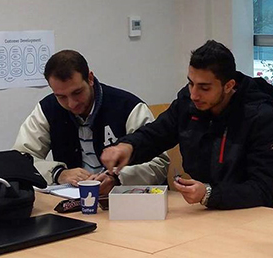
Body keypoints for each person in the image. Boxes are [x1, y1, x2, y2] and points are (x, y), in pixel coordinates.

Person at [101, 40, 273, 209]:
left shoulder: (261, 118)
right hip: (204, 211)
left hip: (248, 215)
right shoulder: (188, 103)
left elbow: (264, 190)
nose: (194, 94)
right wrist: (128, 147)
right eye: (191, 83)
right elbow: (156, 134)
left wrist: (209, 194)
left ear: (229, 86)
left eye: (204, 88)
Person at [13, 49, 168, 194]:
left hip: (128, 199)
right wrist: (58, 173)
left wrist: (117, 179)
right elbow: (19, 160)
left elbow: (159, 163)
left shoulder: (128, 107)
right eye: (61, 97)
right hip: (74, 201)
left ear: (90, 79)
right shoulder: (47, 109)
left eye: (77, 92)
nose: (71, 103)